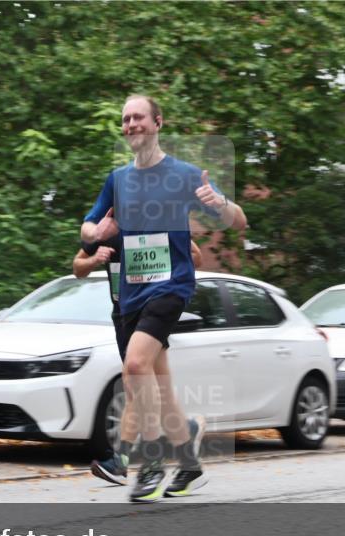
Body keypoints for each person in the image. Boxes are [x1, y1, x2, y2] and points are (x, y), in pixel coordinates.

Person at [81, 94, 246, 502]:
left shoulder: (185, 175)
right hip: (131, 294)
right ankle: (188, 464)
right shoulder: (117, 180)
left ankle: (149, 462)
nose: (131, 124)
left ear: (158, 122)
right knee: (157, 382)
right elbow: (87, 228)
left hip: (171, 286)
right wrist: (94, 235)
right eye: (125, 119)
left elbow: (238, 220)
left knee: (135, 366)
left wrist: (218, 203)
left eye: (139, 117)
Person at [72, 237, 203, 485]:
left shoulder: (149, 221)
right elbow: (78, 266)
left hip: (151, 308)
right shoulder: (105, 227)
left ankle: (122, 460)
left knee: (134, 381)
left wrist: (165, 276)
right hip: (123, 313)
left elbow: (195, 256)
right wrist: (94, 259)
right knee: (155, 386)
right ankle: (187, 446)